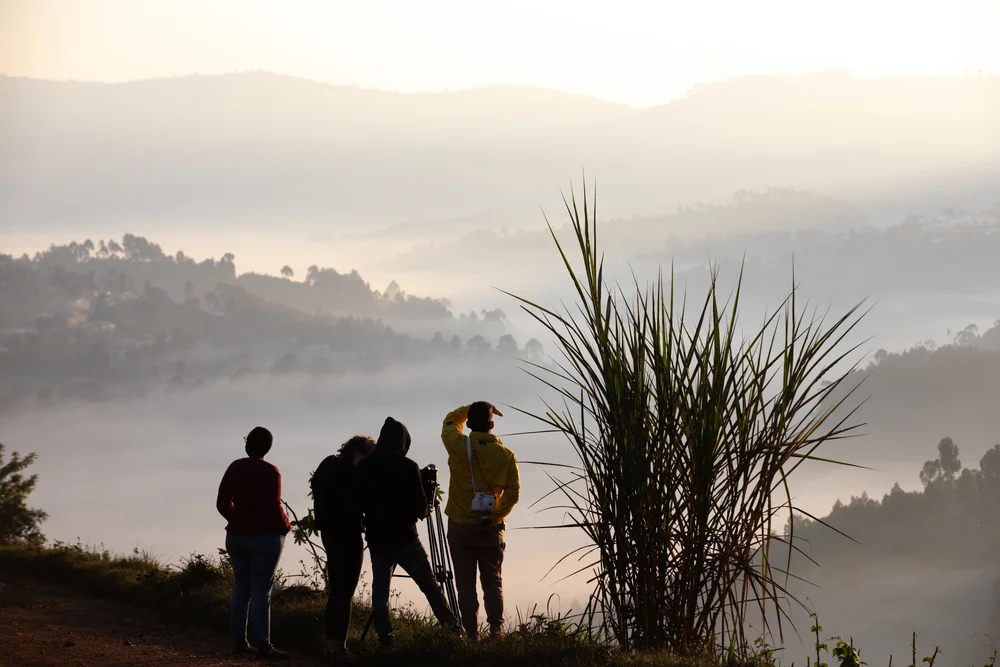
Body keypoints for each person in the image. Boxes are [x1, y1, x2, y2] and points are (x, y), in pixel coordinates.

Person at [361, 416, 460, 646]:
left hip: (377, 537)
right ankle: (453, 629)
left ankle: (385, 637)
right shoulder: (408, 467)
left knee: (380, 589)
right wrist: (428, 501)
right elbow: (420, 510)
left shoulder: (366, 466)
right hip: (405, 537)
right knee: (429, 584)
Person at [441, 402, 520, 640]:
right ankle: (496, 630)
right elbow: (513, 494)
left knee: (465, 584)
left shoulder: (457, 445)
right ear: (491, 424)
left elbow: (449, 421)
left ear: (469, 424)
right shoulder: (506, 455)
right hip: (490, 528)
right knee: (492, 581)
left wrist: (467, 409)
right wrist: (494, 516)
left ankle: (471, 634)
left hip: (460, 525)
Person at [215, 425, 291, 659]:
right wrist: (286, 526)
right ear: (268, 447)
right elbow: (275, 506)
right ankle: (264, 645)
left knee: (241, 587)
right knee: (261, 590)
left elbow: (221, 502)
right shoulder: (271, 471)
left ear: (247, 445)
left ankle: (240, 640)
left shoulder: (235, 467)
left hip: (236, 537)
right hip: (264, 538)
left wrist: (237, 519)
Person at [311, 435, 376, 665]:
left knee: (336, 591)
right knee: (344, 592)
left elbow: (316, 488)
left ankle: (330, 647)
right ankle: (339, 648)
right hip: (347, 533)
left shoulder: (327, 464)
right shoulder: (354, 473)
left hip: (328, 531)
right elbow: (365, 501)